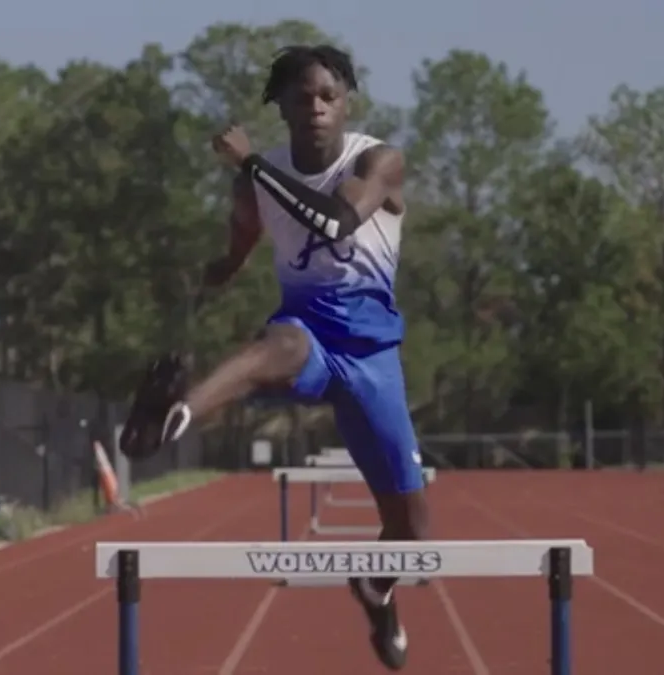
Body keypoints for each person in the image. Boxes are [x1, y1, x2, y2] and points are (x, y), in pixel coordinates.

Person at [119, 44, 427, 671]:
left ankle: (377, 590)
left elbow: (338, 223)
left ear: (346, 103)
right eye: (302, 97)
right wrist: (225, 268)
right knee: (278, 344)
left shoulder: (377, 160)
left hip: (372, 356)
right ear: (281, 106)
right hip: (308, 332)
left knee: (414, 532)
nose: (316, 107)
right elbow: (244, 232)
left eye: (328, 96)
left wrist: (253, 164)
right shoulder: (255, 182)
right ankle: (176, 414)